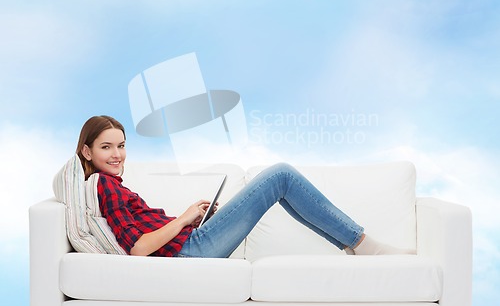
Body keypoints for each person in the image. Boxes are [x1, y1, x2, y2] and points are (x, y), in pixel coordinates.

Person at [76, 115, 412, 258]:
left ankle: (357, 247)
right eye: (106, 147)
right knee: (281, 175)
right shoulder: (103, 186)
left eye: (121, 145)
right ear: (87, 151)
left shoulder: (113, 185)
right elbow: (138, 249)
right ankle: (366, 246)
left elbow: (144, 234)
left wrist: (189, 219)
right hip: (190, 252)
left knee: (282, 183)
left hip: (189, 243)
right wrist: (181, 220)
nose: (117, 154)